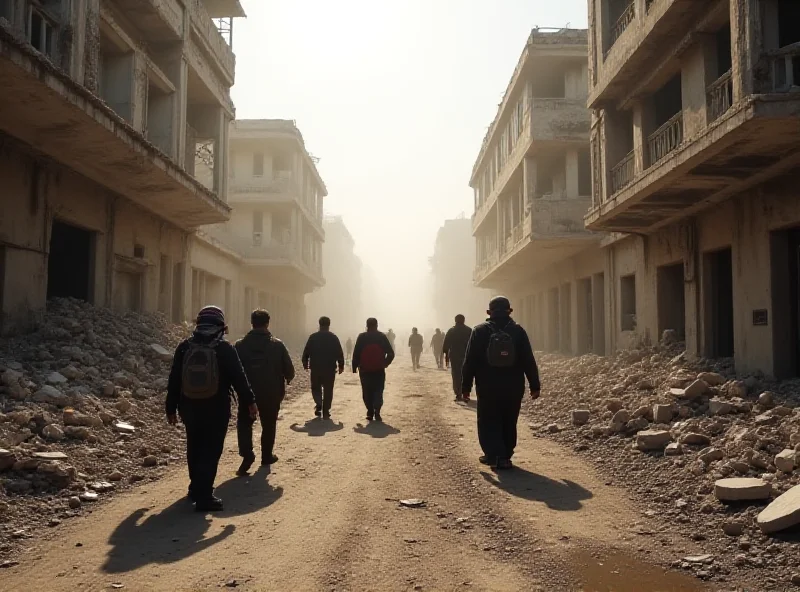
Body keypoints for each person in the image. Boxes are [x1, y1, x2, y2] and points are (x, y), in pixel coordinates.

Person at [166, 306, 257, 512]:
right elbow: (239, 378)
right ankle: (205, 496)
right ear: (221, 326)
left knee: (194, 445)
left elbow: (174, 379)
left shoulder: (184, 347)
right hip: (216, 407)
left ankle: (194, 487)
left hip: (188, 405)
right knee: (211, 449)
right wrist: (250, 402)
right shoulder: (224, 349)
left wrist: (170, 407)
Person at [461, 296, 540, 471]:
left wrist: (465, 387)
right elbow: (528, 359)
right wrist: (535, 385)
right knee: (509, 419)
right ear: (509, 311)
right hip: (513, 386)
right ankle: (505, 456)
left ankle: (492, 454)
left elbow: (470, 361)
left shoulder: (479, 331)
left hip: (487, 386)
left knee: (488, 419)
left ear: (489, 313)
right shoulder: (518, 332)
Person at [235, 309, 295, 475]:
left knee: (245, 424)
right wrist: (287, 379)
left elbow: (232, 370)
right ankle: (266, 455)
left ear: (252, 323)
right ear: (267, 323)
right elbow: (289, 370)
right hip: (271, 393)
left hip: (247, 394)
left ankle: (247, 455)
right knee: (269, 425)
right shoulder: (277, 345)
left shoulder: (240, 345)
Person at [302, 316, 345, 419]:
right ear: (329, 325)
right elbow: (339, 353)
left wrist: (305, 363)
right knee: (328, 390)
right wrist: (341, 365)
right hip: (329, 368)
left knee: (316, 387)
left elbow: (306, 352)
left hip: (316, 368)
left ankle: (318, 404)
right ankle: (326, 410)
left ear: (319, 324)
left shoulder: (313, 337)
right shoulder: (333, 338)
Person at [353, 317, 395, 421]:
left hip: (364, 370)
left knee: (367, 391)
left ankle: (370, 411)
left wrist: (354, 366)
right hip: (379, 369)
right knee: (378, 390)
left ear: (367, 325)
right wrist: (385, 363)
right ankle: (377, 411)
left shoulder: (362, 337)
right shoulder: (381, 337)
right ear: (377, 325)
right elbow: (391, 353)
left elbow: (356, 353)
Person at [442, 314, 473, 401]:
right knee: (466, 374)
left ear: (455, 320)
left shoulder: (452, 330)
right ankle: (466, 393)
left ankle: (458, 393)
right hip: (467, 356)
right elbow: (474, 344)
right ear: (464, 320)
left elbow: (445, 345)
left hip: (455, 356)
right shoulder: (469, 330)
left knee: (456, 375)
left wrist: (446, 357)